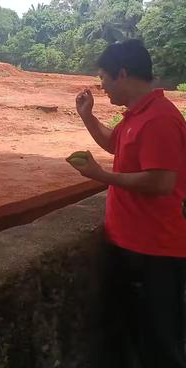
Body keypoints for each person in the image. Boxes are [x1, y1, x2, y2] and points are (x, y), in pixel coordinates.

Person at [72, 39, 186, 367]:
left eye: (104, 78)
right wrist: (87, 117)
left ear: (123, 73)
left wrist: (101, 176)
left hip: (157, 252)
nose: (102, 86)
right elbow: (113, 143)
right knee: (132, 337)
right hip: (131, 244)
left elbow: (161, 182)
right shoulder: (138, 114)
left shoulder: (160, 119)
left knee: (161, 343)